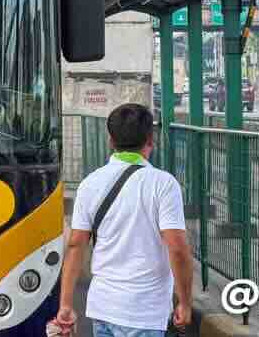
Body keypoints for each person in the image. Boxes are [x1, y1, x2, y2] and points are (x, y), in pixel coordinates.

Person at [55, 103, 192, 337]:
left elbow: (76, 244)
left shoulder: (90, 183)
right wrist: (185, 302)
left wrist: (66, 305)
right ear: (151, 140)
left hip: (104, 308)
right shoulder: (163, 184)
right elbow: (177, 249)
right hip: (144, 312)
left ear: (110, 140)